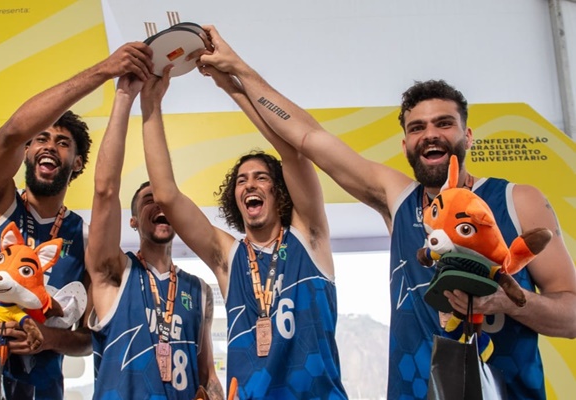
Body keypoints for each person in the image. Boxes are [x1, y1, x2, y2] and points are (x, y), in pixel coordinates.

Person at [196, 26, 576, 399]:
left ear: (468, 136)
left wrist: (506, 301)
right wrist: (236, 72)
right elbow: (307, 138)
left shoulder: (516, 200)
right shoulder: (399, 199)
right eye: (417, 128)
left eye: (444, 123)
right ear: (406, 143)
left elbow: (572, 313)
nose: (430, 134)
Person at [0, 42, 154, 400]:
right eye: (41, 138)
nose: (49, 146)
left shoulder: (85, 239)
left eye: (62, 143)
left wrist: (47, 338)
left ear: (76, 163)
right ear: (27, 151)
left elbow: (89, 338)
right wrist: (104, 70)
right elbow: (12, 130)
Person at [140, 56, 347, 398]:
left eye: (261, 177)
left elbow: (293, 151)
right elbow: (166, 194)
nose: (249, 185)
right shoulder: (228, 257)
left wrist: (233, 88)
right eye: (241, 180)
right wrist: (151, 104)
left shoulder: (308, 235)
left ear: (278, 190)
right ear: (233, 197)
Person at [85, 71, 224, 399]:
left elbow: (207, 376)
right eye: (149, 201)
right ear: (133, 221)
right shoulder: (115, 273)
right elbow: (105, 190)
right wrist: (124, 98)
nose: (159, 203)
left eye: (163, 200)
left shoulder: (200, 290)